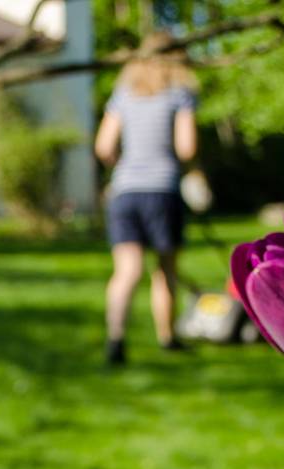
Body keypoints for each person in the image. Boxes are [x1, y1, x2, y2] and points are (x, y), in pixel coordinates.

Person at [94, 33, 199, 365]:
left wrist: (127, 163)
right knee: (164, 269)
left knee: (127, 270)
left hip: (125, 191)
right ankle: (167, 337)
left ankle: (115, 337)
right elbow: (187, 148)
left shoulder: (123, 94)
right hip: (162, 188)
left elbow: (104, 148)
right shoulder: (179, 94)